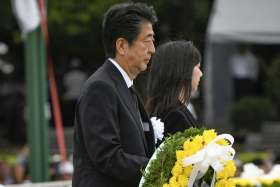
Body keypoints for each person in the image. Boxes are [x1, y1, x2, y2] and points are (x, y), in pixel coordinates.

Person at [72, 2, 157, 187]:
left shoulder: (122, 85)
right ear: (122, 45)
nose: (152, 49)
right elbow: (107, 156)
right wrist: (160, 166)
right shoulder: (101, 88)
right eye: (147, 40)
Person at [146, 41, 203, 137]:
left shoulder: (163, 108)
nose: (201, 74)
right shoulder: (175, 116)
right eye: (197, 67)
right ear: (183, 70)